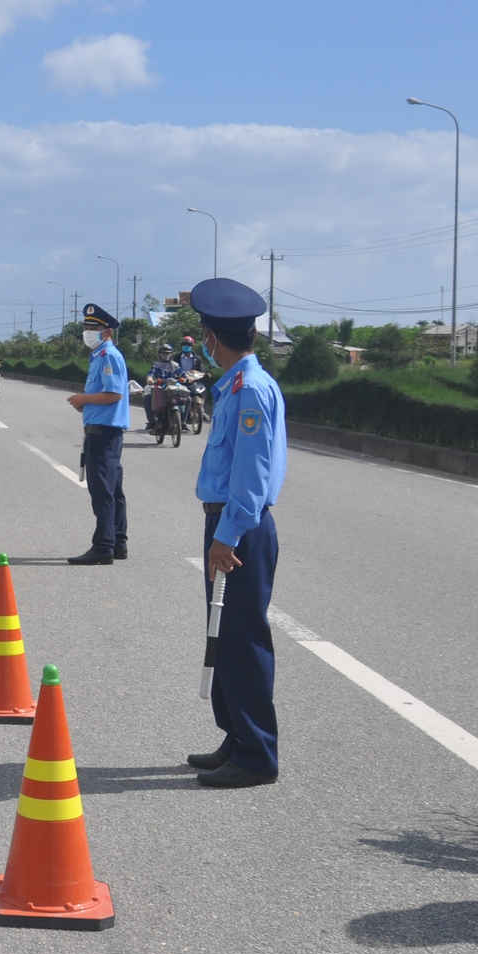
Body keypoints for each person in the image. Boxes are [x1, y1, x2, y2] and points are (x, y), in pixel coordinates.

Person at [185, 277, 287, 790]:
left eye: (204, 337)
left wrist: (225, 537)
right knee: (222, 636)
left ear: (213, 339)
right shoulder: (236, 386)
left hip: (239, 527)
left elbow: (251, 476)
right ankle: (235, 738)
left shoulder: (250, 391)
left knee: (242, 638)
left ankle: (257, 754)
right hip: (228, 523)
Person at [64, 305, 129, 565]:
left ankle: (103, 546)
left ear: (107, 331)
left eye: (93, 328)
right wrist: (86, 403)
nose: (87, 332)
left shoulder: (109, 356)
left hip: (105, 433)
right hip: (101, 430)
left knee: (102, 491)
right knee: (112, 489)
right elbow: (104, 395)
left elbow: (114, 394)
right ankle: (117, 541)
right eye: (86, 327)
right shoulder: (99, 355)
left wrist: (83, 397)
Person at [144, 343, 186, 431]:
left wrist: (188, 378)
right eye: (163, 353)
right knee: (147, 398)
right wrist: (150, 379)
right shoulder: (156, 364)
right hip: (161, 387)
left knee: (188, 398)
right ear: (159, 354)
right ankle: (151, 422)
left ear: (171, 354)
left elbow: (183, 374)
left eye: (168, 353)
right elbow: (151, 373)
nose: (165, 355)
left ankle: (183, 421)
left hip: (174, 387)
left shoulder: (175, 365)